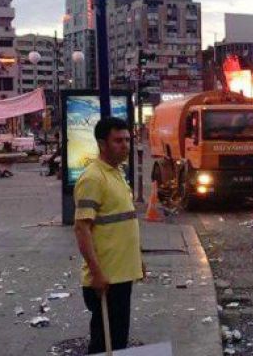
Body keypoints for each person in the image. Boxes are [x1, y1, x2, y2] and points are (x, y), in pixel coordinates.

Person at [73, 117, 143, 353]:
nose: (125, 145)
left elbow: (123, 222)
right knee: (105, 344)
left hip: (121, 273)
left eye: (127, 140)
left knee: (118, 340)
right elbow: (81, 229)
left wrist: (137, 260)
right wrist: (97, 273)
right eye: (118, 141)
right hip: (107, 277)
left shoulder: (116, 172)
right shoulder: (93, 178)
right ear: (103, 144)